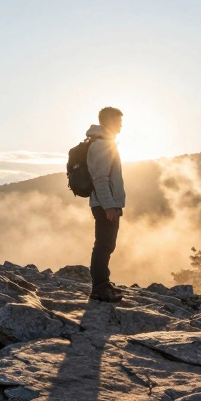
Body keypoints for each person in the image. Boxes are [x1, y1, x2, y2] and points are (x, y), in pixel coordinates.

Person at [86, 106, 126, 302]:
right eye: (118, 121)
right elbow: (100, 179)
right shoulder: (102, 145)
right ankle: (100, 288)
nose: (121, 125)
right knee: (104, 245)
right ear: (109, 121)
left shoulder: (104, 142)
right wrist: (109, 206)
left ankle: (103, 283)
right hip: (105, 205)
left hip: (105, 203)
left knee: (106, 244)